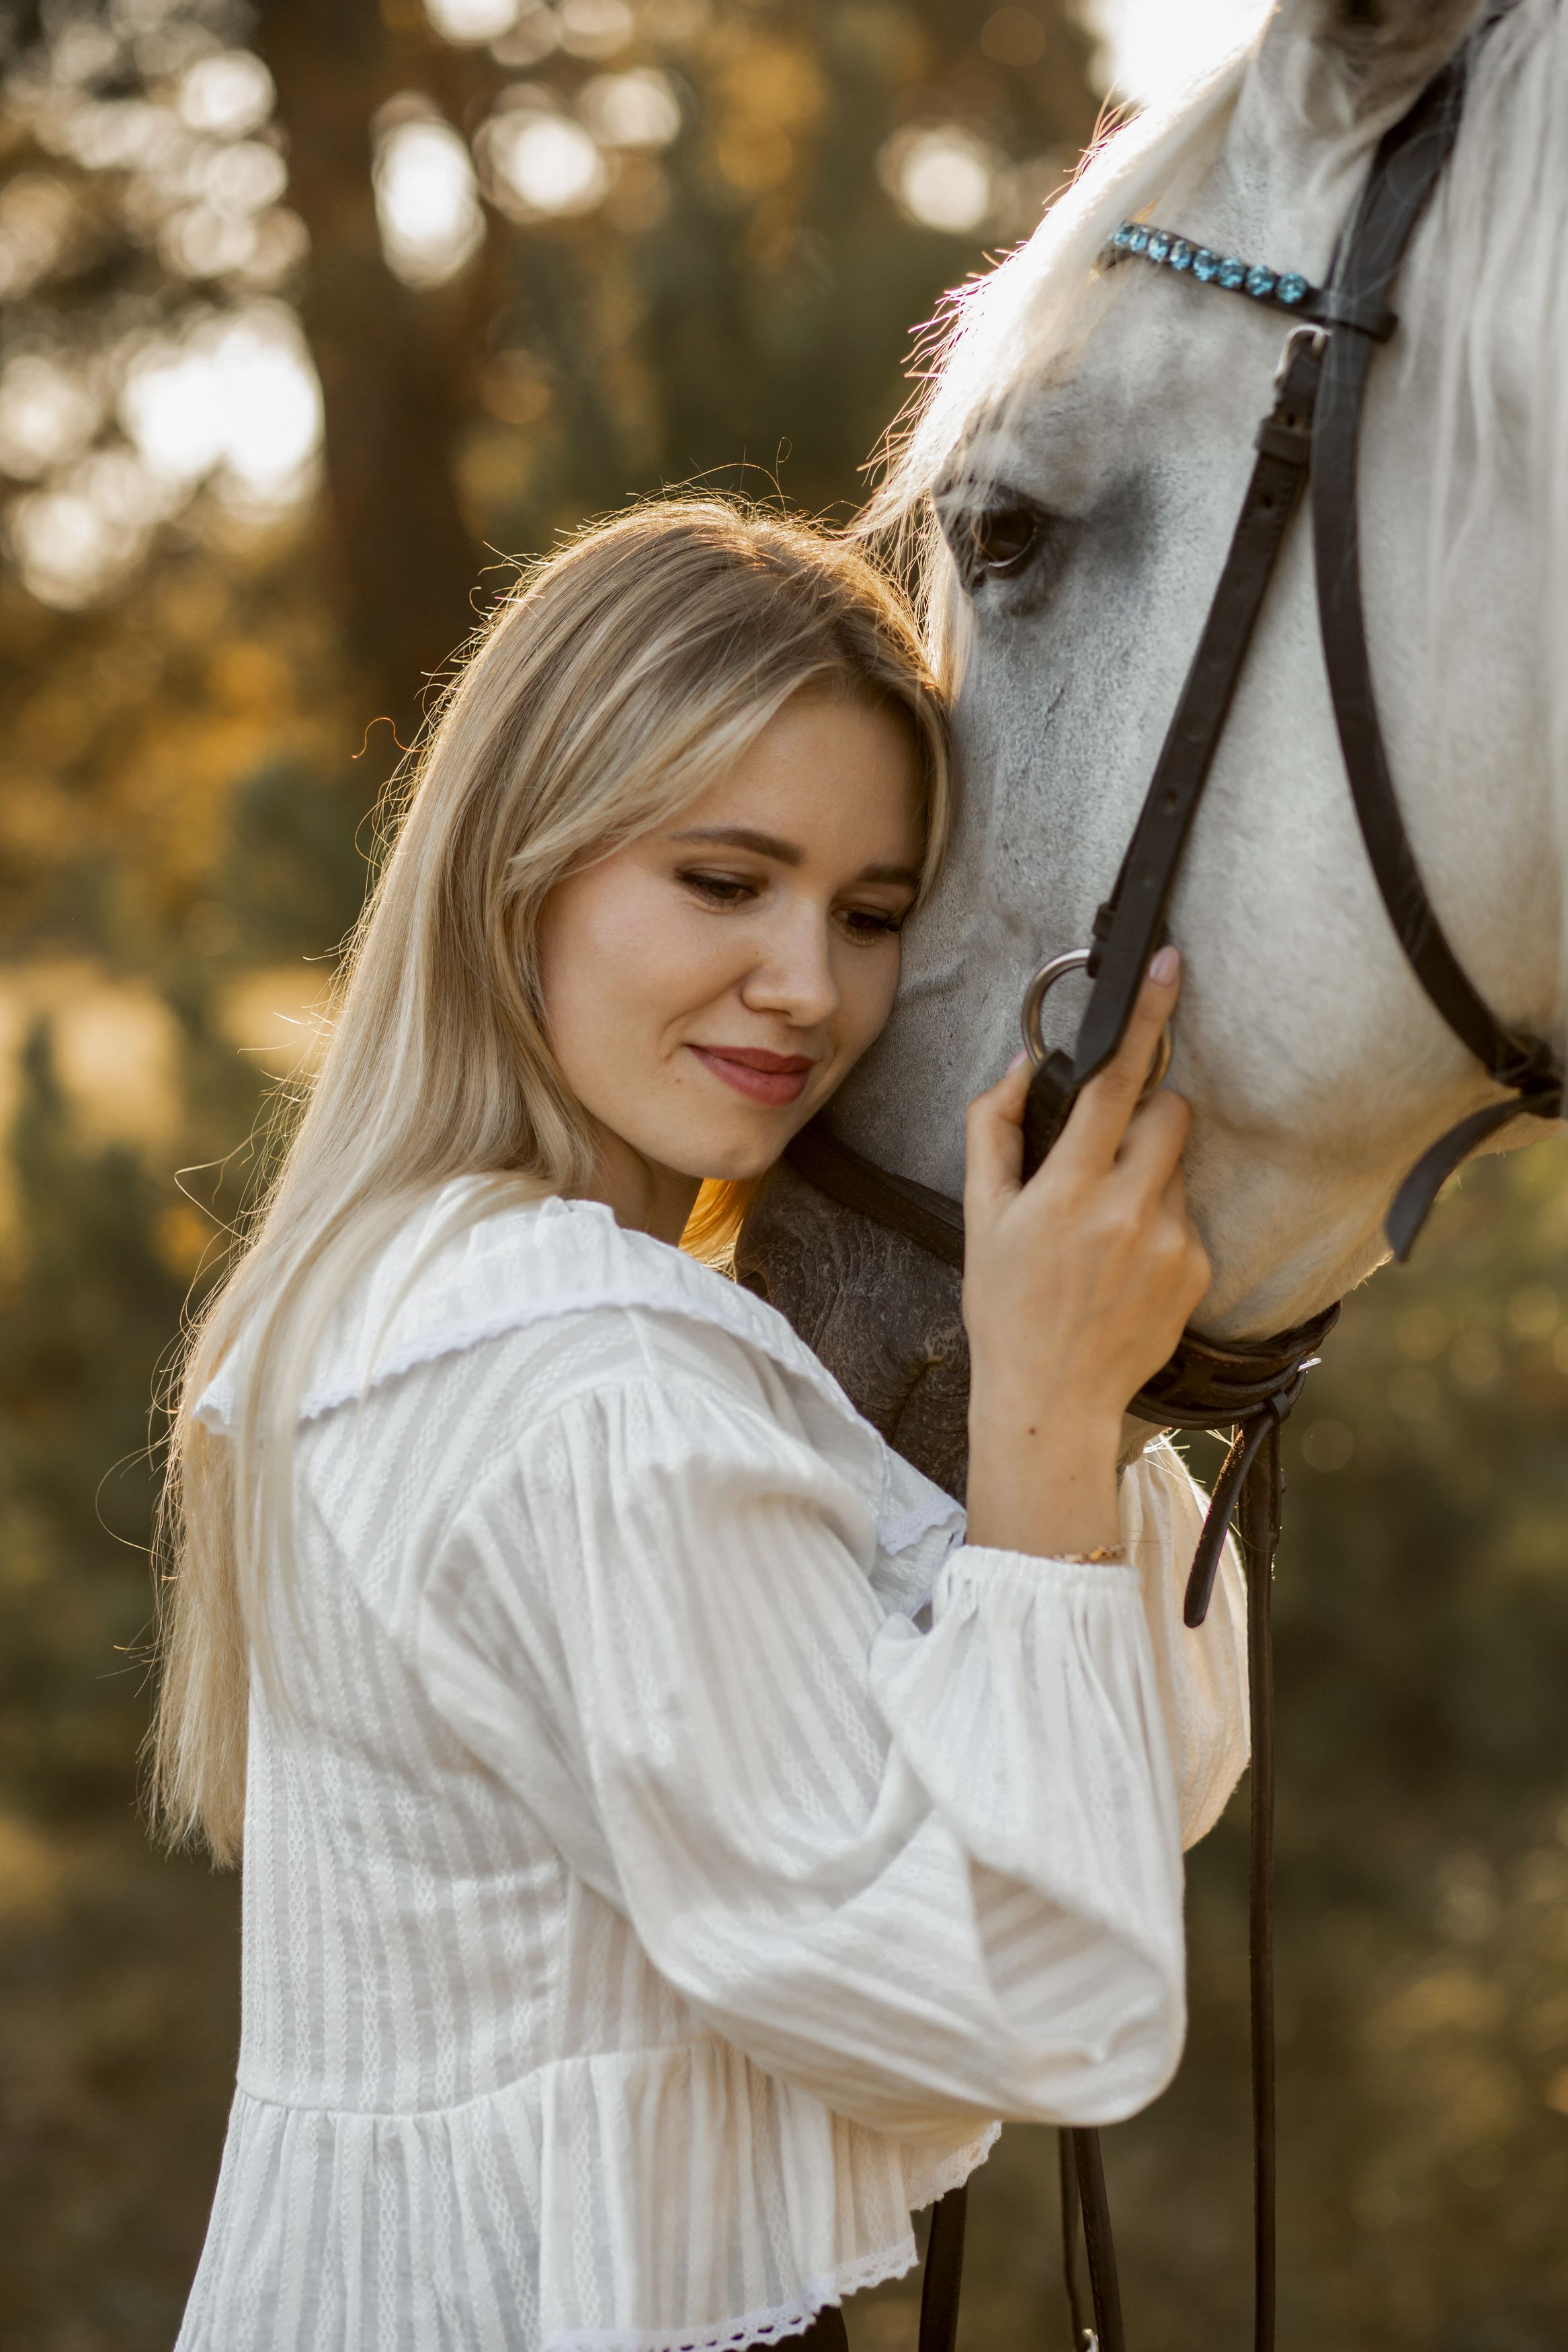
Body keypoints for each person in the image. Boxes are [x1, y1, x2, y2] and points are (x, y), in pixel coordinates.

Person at [153, 498, 1245, 2352]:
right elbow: (1033, 1992)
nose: (808, 986)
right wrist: (1053, 1417)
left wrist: (1067, 1401)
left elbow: (1126, 1784)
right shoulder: (585, 1381)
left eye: (873, 912)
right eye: (724, 883)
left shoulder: (401, 1297)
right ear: (526, 873)